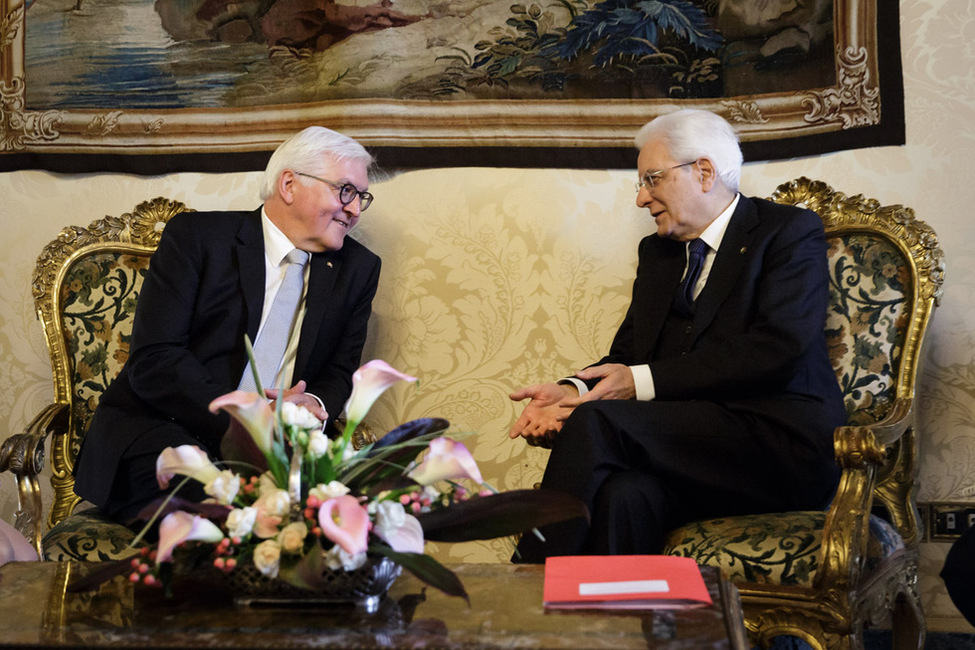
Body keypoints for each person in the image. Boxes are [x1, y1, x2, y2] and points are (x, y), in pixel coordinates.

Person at [508, 109, 845, 561]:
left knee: (598, 421)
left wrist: (628, 388)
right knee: (624, 495)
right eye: (641, 184)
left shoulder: (786, 232)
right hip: (689, 454)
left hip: (776, 448)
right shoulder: (660, 254)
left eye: (652, 179)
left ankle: (527, 586)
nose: (641, 199)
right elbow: (627, 356)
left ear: (704, 172)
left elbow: (776, 350)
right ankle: (612, 627)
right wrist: (571, 390)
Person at [74, 126, 382, 523]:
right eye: (345, 191)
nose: (355, 209)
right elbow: (155, 361)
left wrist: (314, 405)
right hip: (162, 430)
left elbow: (339, 372)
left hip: (276, 453)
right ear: (289, 184)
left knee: (355, 520)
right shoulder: (198, 239)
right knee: (229, 514)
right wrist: (248, 417)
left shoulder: (357, 269)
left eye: (361, 197)